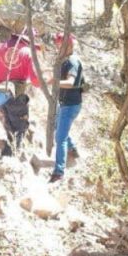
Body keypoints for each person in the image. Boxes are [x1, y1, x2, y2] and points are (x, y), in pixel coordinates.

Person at [0, 5, 41, 156]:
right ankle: (14, 154)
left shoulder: (1, 47)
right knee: (20, 125)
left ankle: (7, 151)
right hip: (16, 95)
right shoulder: (28, 52)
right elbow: (36, 81)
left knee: (7, 122)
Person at [49, 32, 83, 183]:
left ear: (68, 45)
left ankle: (58, 172)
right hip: (66, 103)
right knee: (59, 127)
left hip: (70, 105)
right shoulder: (66, 60)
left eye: (59, 45)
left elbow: (70, 82)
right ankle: (73, 149)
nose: (58, 48)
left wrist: (53, 81)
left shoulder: (72, 62)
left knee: (60, 137)